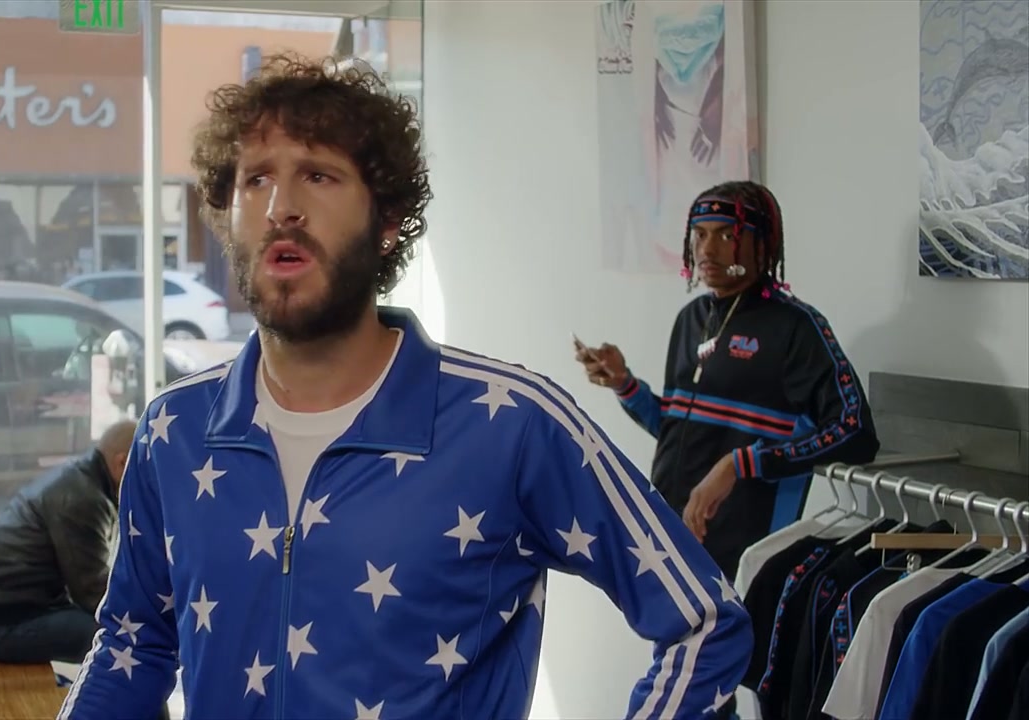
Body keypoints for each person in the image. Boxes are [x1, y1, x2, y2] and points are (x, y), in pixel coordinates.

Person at [58, 55, 751, 720]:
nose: (281, 207)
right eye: (256, 179)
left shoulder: (511, 424)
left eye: (318, 175)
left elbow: (705, 621)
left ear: (387, 222)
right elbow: (133, 644)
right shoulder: (174, 430)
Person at [575, 180, 881, 580]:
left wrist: (741, 464)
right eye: (700, 234)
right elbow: (678, 431)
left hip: (746, 560)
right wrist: (626, 386)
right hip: (668, 540)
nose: (707, 249)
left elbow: (856, 433)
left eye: (726, 235)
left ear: (763, 244)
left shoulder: (797, 327)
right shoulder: (691, 319)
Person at [0, 420, 136, 665]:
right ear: (122, 462)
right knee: (119, 638)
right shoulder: (84, 498)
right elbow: (93, 594)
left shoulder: (82, 478)